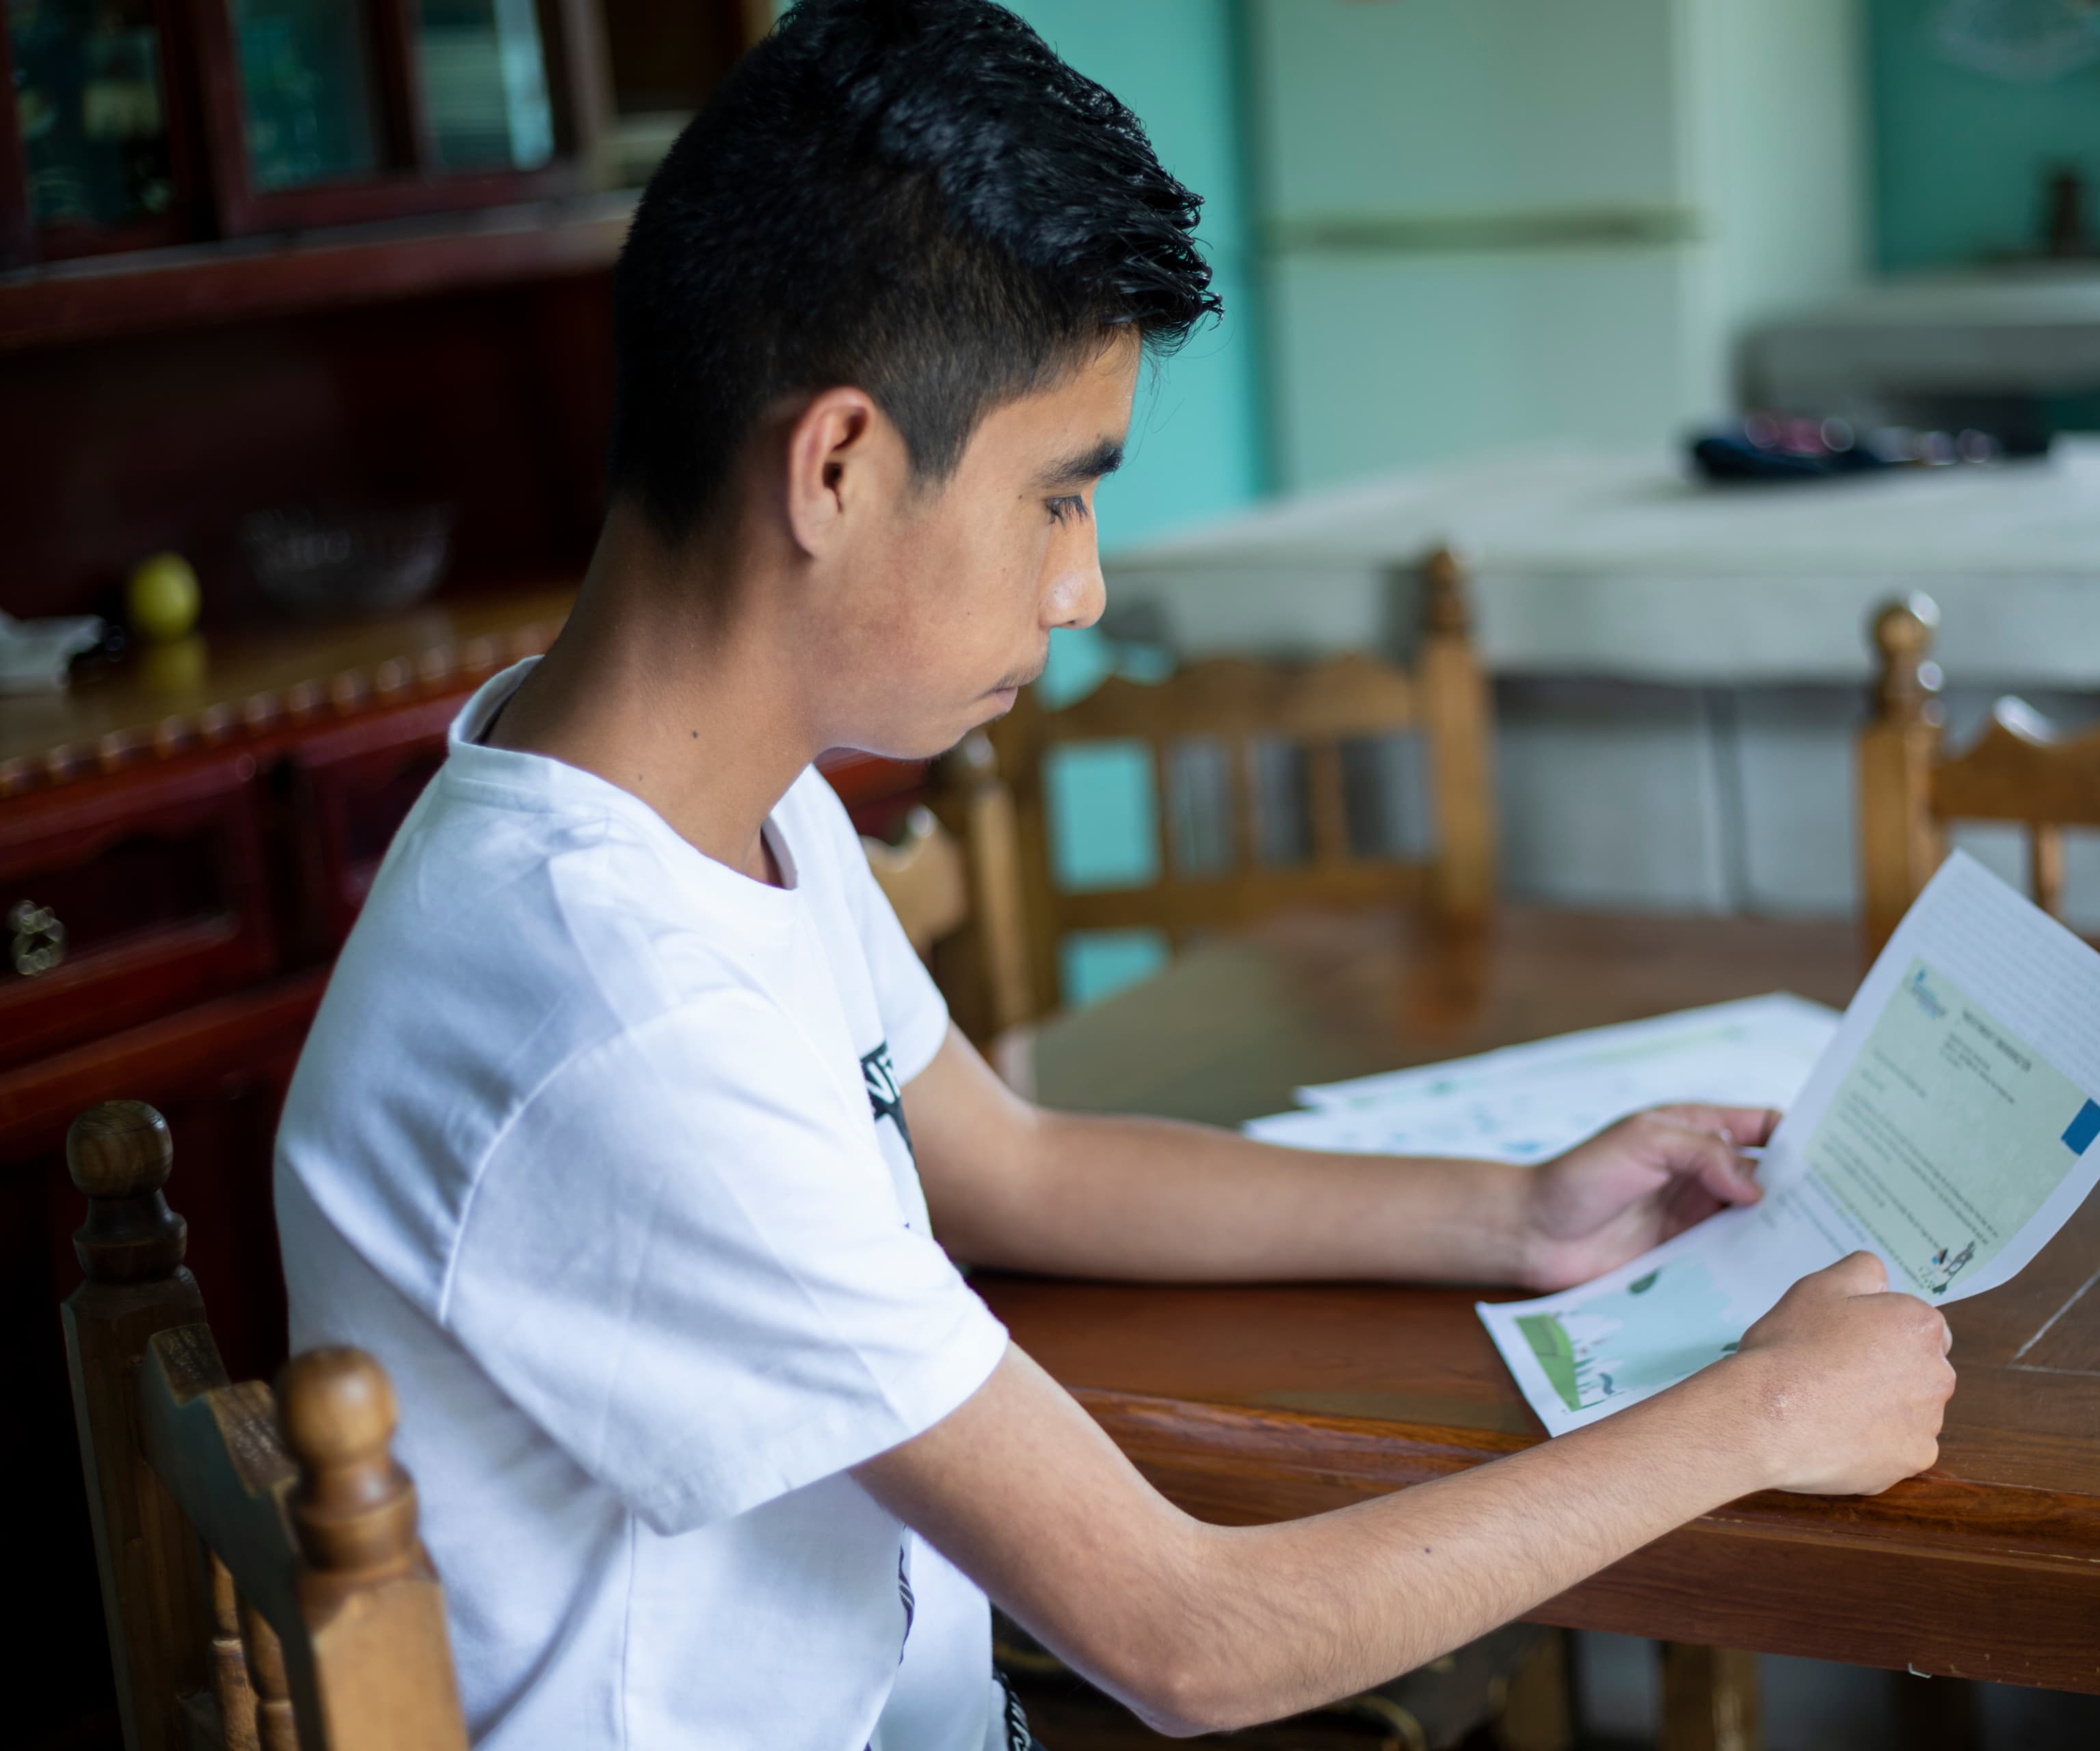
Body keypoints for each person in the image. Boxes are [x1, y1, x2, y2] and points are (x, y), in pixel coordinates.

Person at [271, 3, 1954, 1747]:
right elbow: (1190, 1635)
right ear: (836, 467)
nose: (1081, 587)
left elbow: (1005, 1161)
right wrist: (1755, 1418)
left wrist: (1517, 1210)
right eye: (1058, 499)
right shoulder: (608, 1011)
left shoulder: (694, 803)